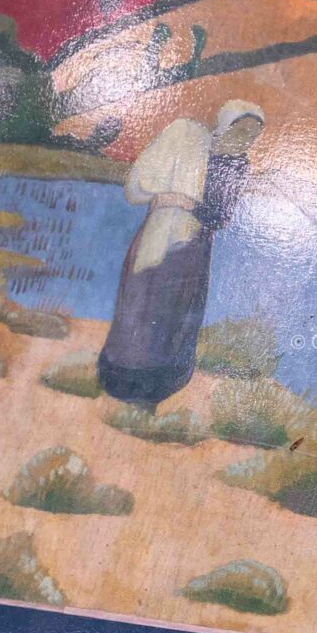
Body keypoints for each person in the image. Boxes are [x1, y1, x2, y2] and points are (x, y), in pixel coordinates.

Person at [97, 99, 263, 405]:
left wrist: (185, 203)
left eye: (252, 133)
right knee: (141, 306)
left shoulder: (237, 166)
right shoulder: (189, 138)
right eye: (240, 129)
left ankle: (161, 387)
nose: (244, 138)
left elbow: (220, 215)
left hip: (195, 249)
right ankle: (120, 380)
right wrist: (168, 197)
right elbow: (137, 187)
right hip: (159, 242)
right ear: (224, 127)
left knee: (178, 317)